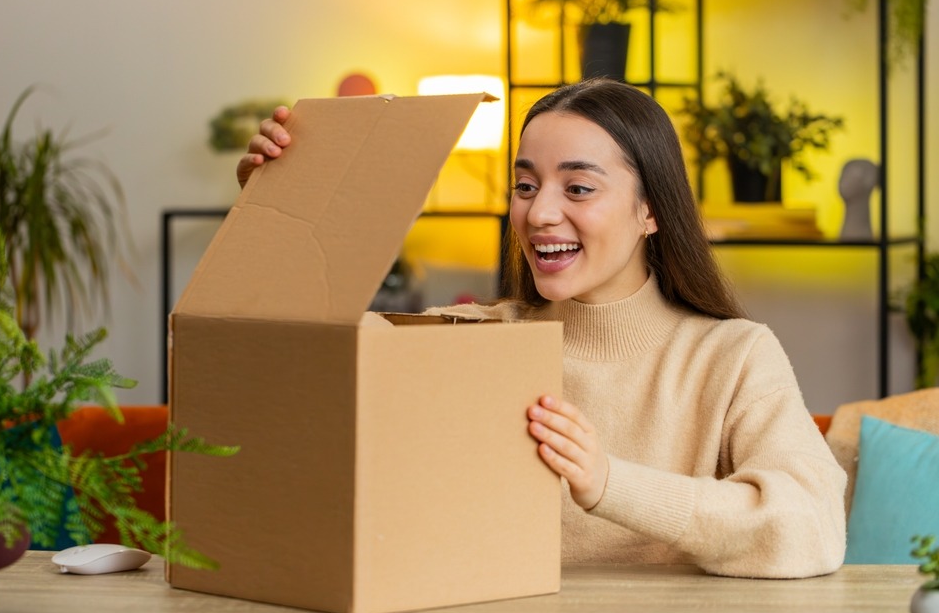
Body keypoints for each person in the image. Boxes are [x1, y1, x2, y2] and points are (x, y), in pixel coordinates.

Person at [237, 78, 847, 579]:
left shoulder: (732, 357)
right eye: (525, 186)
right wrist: (278, 213)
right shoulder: (473, 338)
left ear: (651, 210)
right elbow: (272, 361)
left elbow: (812, 528)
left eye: (578, 187)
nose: (539, 212)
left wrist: (611, 482)